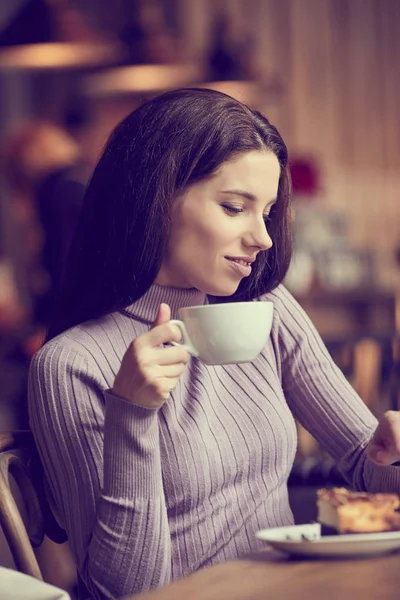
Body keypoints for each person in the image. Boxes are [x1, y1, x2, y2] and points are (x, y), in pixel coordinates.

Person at [27, 88, 400, 600]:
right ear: (154, 200)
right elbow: (124, 592)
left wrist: (393, 457)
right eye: (234, 207)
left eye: (267, 212)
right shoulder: (71, 365)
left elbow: (366, 465)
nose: (263, 238)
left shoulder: (270, 309)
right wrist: (131, 415)